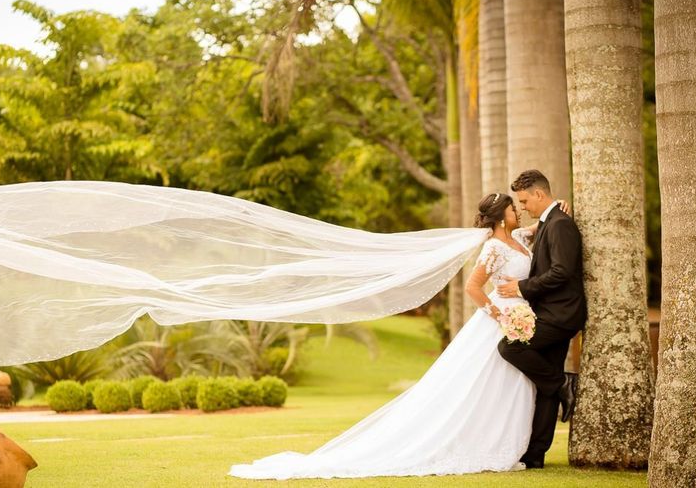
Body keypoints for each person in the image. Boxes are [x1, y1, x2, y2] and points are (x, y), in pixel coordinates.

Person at [228, 187, 573, 480]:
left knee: (510, 383)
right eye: (514, 207)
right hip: (499, 319)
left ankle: (521, 443)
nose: (519, 210)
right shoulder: (493, 248)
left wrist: (557, 211)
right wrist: (498, 313)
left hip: (519, 314)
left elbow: (542, 230)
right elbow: (473, 286)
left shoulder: (519, 239)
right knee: (490, 380)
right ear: (502, 216)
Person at [496, 169, 587, 469]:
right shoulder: (550, 221)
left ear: (538, 194)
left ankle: (563, 382)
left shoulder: (560, 225)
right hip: (550, 312)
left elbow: (561, 271)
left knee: (510, 347)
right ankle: (535, 456)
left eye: (524, 201)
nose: (522, 207)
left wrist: (520, 287)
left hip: (560, 315)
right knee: (546, 385)